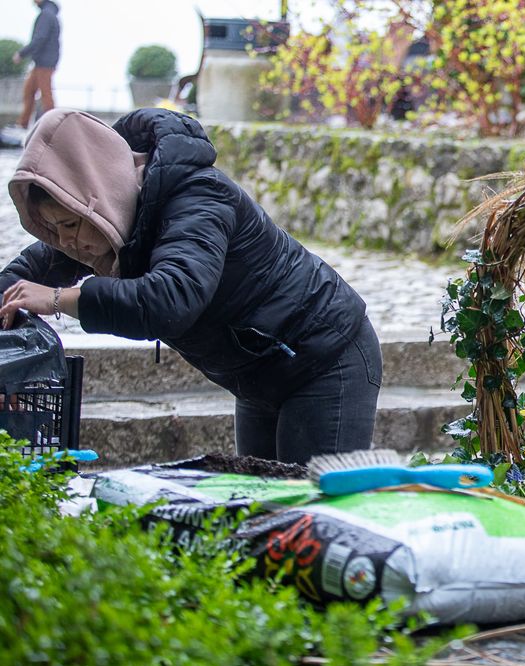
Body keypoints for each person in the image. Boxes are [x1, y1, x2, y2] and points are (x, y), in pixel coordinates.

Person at [0, 108, 383, 465]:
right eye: (54, 229)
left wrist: (58, 299)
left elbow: (170, 300)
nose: (65, 241)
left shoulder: (199, 197)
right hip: (257, 375)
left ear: (96, 195)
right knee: (266, 502)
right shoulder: (101, 224)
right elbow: (23, 276)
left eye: (69, 225)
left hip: (325, 359)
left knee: (311, 507)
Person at [13, 0, 61, 130]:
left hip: (45, 62)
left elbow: (40, 38)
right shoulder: (49, 13)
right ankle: (22, 124)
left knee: (45, 94)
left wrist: (21, 53)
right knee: (29, 91)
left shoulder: (46, 15)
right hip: (42, 61)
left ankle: (54, 126)